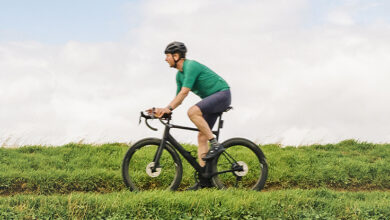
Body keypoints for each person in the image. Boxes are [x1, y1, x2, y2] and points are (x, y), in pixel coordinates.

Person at [148, 41, 231, 190]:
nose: (165, 59)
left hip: (222, 94)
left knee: (192, 112)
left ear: (176, 56)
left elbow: (185, 92)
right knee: (201, 137)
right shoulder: (179, 76)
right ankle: (206, 181)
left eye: (167, 56)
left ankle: (215, 144)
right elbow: (178, 99)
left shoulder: (190, 66)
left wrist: (168, 108)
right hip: (212, 100)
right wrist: (162, 110)